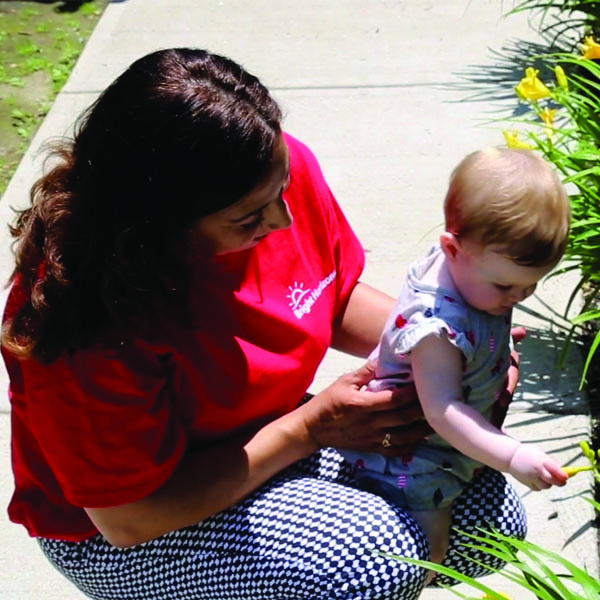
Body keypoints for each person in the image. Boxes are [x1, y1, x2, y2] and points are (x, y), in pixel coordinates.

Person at [1, 48, 527, 600]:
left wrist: (453, 343)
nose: (282, 221)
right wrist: (309, 429)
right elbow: (127, 519)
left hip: (271, 436)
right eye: (250, 217)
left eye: (279, 192)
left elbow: (330, 295)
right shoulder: (84, 318)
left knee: (489, 521)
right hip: (126, 530)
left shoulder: (267, 171)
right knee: (371, 561)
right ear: (152, 223)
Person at [341, 147, 570, 582]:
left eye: (531, 285)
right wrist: (512, 455)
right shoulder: (436, 329)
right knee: (428, 552)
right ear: (452, 247)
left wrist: (489, 345)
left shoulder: (474, 268)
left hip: (446, 445)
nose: (518, 297)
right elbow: (441, 409)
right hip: (415, 453)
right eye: (506, 285)